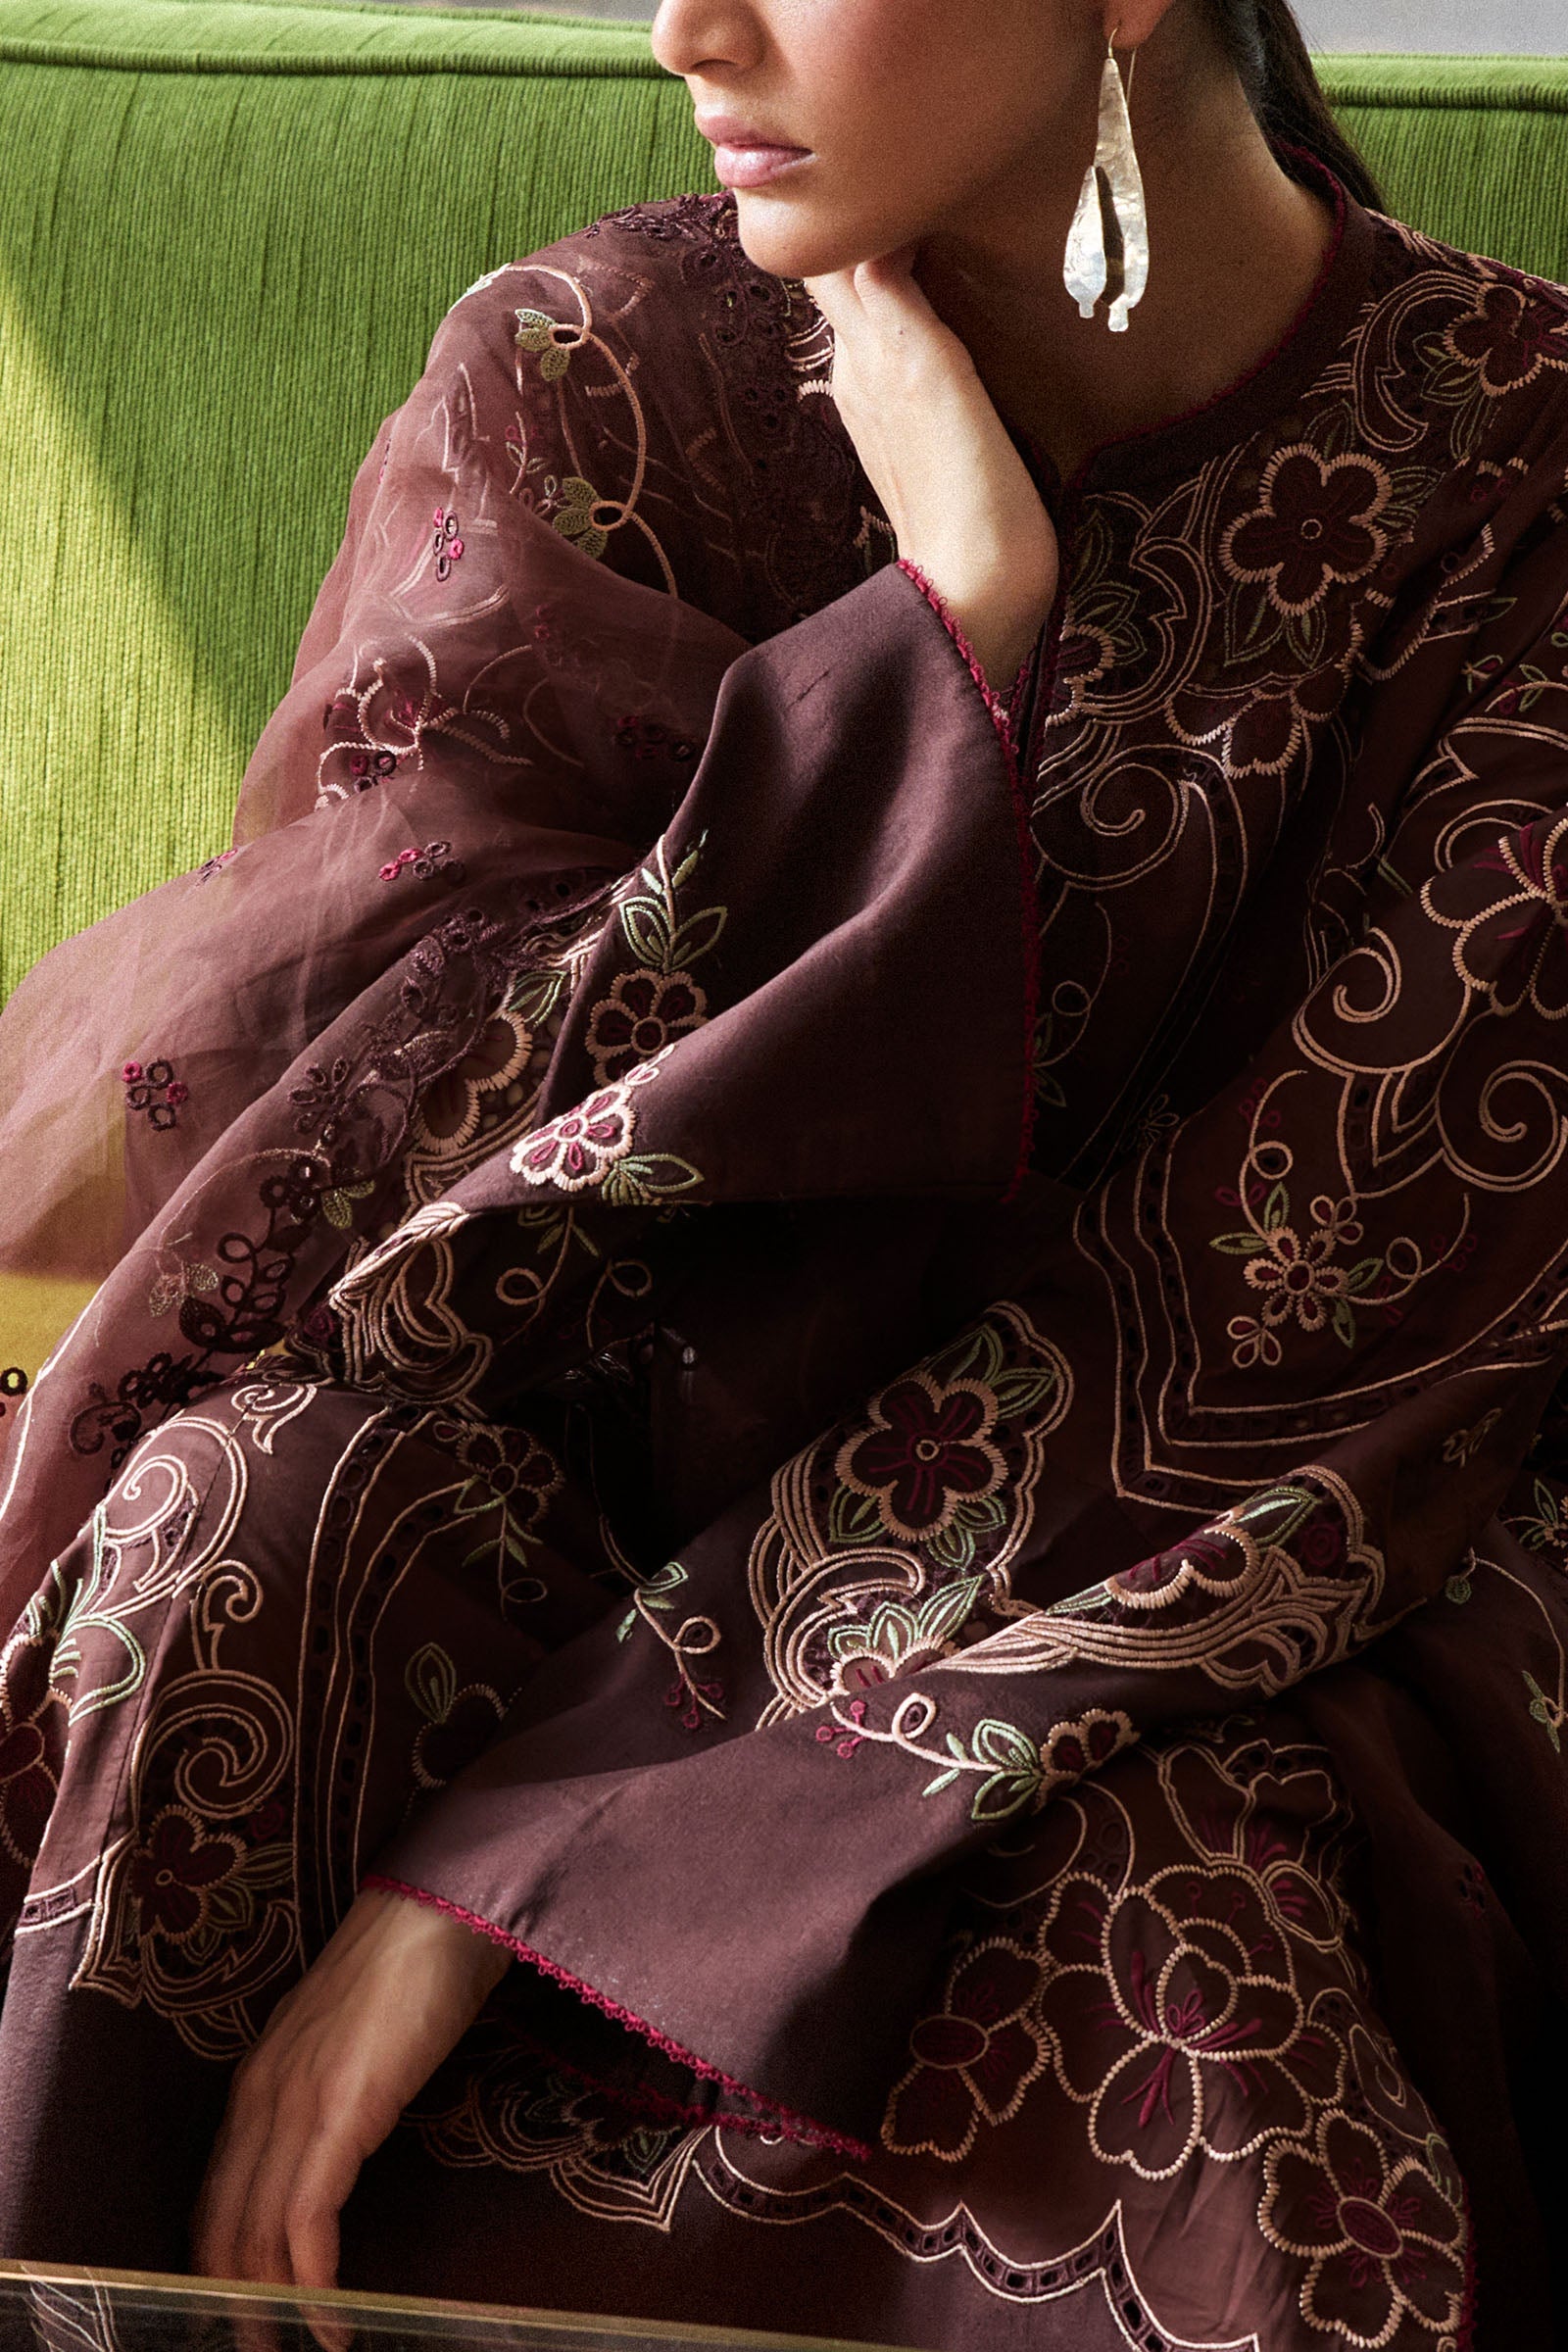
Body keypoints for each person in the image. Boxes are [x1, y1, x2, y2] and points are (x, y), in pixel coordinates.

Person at [1, 0, 1567, 2339]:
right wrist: (936, 639)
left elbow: (1311, 1293)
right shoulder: (593, 383)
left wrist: (540, 1849)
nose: (684, 26)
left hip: (1219, 1541)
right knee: (237, 1544)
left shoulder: (1525, 487)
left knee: (1167, 1887)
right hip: (587, 1430)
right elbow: (398, 1166)